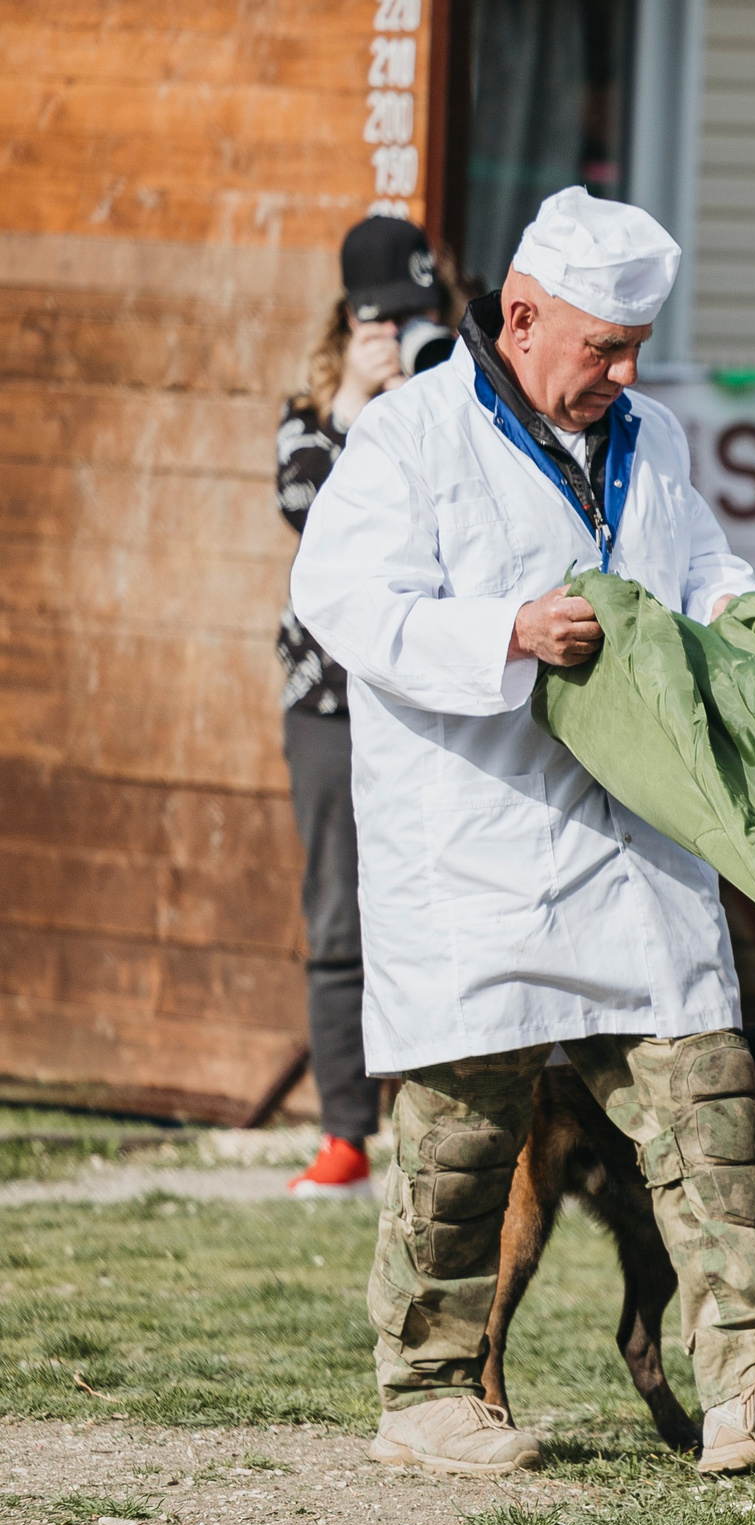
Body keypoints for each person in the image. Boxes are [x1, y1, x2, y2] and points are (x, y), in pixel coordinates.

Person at [290, 187, 755, 1478]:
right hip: (478, 844)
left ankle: (754, 1376)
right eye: (603, 347)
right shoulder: (412, 435)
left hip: (635, 842)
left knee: (710, 1114)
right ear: (521, 316)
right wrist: (501, 633)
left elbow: (699, 571)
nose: (623, 373)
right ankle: (428, 1389)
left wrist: (743, 621)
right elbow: (341, 596)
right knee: (464, 1132)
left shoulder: (654, 434)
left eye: (637, 347)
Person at [277, 216, 457, 1200]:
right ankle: (346, 1133)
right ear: (349, 324)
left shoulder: (458, 402)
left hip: (434, 697)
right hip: (332, 705)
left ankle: (436, 1132)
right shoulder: (310, 415)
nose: (403, 336)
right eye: (383, 322)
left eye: (419, 319)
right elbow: (309, 517)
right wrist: (356, 404)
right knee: (339, 916)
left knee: (436, 910)